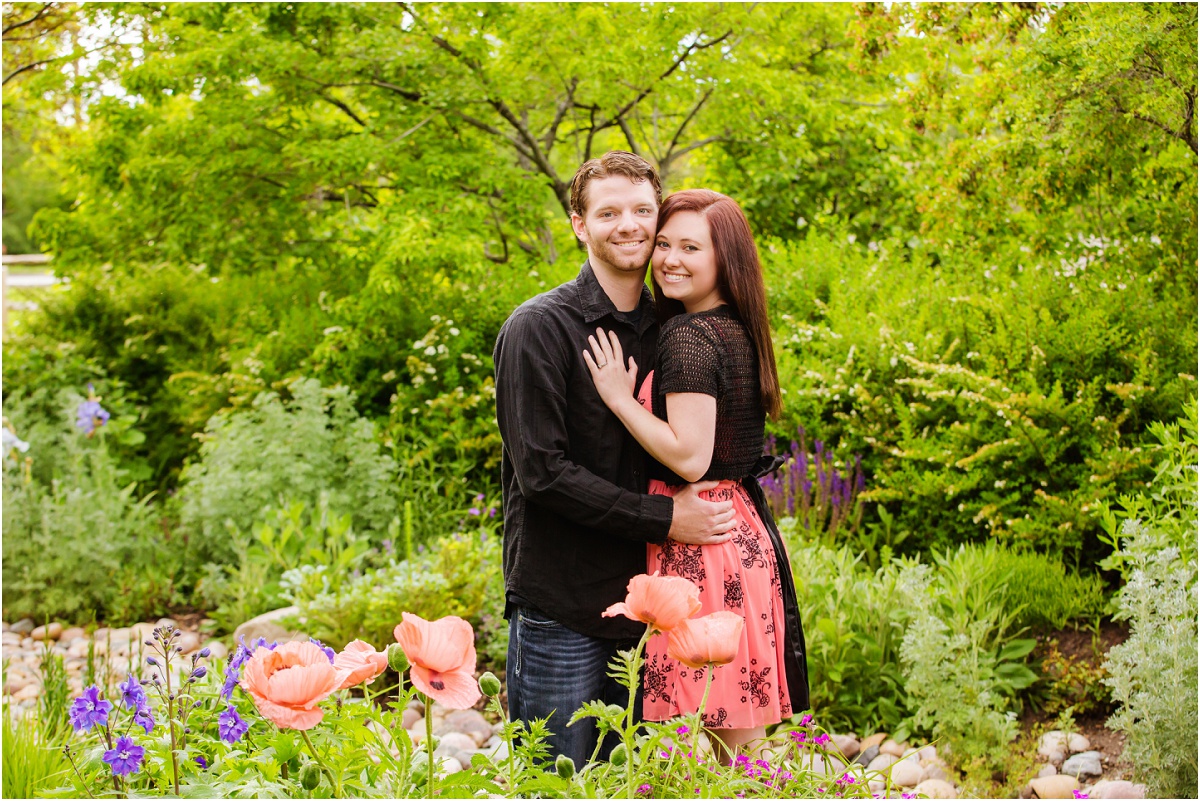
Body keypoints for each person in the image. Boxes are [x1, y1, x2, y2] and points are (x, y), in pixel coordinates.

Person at [493, 152, 738, 768]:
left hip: (656, 613)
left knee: (637, 783)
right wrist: (663, 517)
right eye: (608, 212)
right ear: (579, 224)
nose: (627, 225)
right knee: (554, 781)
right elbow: (542, 474)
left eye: (641, 210)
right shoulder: (538, 329)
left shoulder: (674, 327)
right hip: (564, 609)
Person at [583, 188, 810, 759]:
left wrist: (618, 397)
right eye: (664, 243)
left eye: (691, 247)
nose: (669, 259)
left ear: (723, 260)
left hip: (702, 550)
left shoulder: (686, 336)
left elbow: (690, 457)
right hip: (739, 537)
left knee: (703, 745)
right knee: (741, 749)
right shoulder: (732, 325)